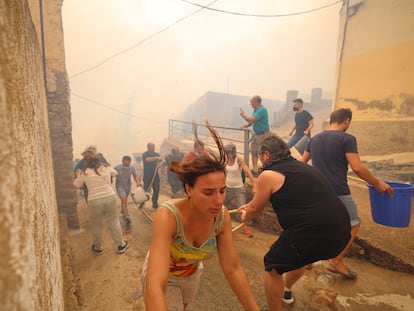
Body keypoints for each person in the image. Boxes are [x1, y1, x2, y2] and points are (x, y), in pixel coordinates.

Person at [142, 123, 260, 311]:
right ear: (189, 189)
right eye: (208, 193)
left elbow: (233, 269)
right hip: (166, 276)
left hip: (192, 275)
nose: (219, 200)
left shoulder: (221, 218)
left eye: (222, 191)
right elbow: (156, 281)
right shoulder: (168, 216)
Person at [238, 134, 351, 311]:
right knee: (296, 259)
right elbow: (259, 202)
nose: (259, 160)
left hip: (314, 232)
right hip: (342, 231)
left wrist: (245, 216)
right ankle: (286, 290)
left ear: (266, 155)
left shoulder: (268, 174)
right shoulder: (301, 168)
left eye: (260, 156)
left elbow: (254, 210)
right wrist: (250, 206)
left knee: (273, 265)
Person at [302, 108, 394, 279]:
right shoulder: (347, 138)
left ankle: (308, 258)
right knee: (354, 223)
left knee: (319, 224)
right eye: (348, 122)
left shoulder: (314, 139)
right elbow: (357, 167)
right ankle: (336, 260)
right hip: (339, 191)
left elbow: (302, 164)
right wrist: (377, 183)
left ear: (331, 120)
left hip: (317, 191)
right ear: (346, 121)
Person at [73, 147, 129, 255]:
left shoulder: (85, 172)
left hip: (94, 201)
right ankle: (121, 245)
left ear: (86, 161)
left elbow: (77, 185)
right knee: (114, 222)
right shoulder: (106, 167)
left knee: (96, 224)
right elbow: (116, 173)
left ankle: (98, 248)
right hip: (110, 197)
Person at [223, 143, 256, 237]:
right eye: (227, 153)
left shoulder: (238, 160)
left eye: (229, 153)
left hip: (238, 188)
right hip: (227, 187)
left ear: (233, 153)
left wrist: (254, 184)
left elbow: (247, 171)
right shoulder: (224, 160)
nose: (228, 155)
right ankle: (218, 224)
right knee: (221, 206)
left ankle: (244, 227)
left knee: (242, 208)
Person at [240, 95, 270, 175]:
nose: (250, 104)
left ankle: (265, 169)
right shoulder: (256, 110)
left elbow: (252, 119)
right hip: (256, 134)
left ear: (257, 102)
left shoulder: (262, 110)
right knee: (254, 151)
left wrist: (243, 115)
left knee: (262, 152)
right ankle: (255, 170)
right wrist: (246, 126)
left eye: (252, 103)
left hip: (263, 134)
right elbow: (252, 122)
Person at [114, 155, 142, 224]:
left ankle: (123, 209)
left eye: (128, 164)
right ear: (122, 162)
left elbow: (135, 175)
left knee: (124, 199)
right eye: (125, 164)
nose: (127, 166)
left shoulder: (132, 168)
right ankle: (127, 216)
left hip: (128, 185)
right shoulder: (117, 167)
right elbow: (111, 174)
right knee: (124, 199)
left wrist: (138, 182)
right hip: (119, 185)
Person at [143, 142, 163, 209]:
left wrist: (160, 165)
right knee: (146, 190)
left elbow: (161, 161)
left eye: (154, 146)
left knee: (156, 189)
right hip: (147, 176)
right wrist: (156, 158)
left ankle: (155, 204)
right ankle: (142, 202)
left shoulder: (156, 154)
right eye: (152, 146)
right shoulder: (145, 154)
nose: (153, 148)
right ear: (148, 147)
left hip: (155, 176)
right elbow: (147, 160)